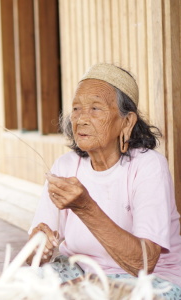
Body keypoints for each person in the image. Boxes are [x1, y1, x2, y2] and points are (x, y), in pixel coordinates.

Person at [27, 63, 181, 299]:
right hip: (79, 274)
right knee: (30, 284)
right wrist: (39, 248)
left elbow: (143, 264)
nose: (80, 119)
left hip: (149, 281)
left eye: (96, 108)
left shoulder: (148, 166)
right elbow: (35, 252)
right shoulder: (66, 166)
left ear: (127, 122)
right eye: (76, 108)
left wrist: (86, 207)